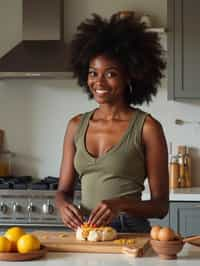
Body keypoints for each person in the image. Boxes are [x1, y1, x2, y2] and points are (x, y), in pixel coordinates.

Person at [55, 13, 169, 233]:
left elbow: (161, 206)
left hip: (130, 230)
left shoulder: (147, 128)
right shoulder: (75, 125)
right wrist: (63, 206)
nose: (99, 82)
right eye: (93, 73)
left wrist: (120, 204)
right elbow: (63, 190)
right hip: (86, 231)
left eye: (110, 74)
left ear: (129, 77)